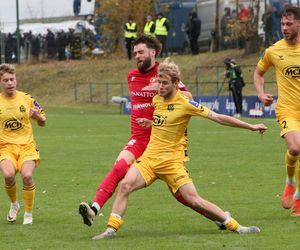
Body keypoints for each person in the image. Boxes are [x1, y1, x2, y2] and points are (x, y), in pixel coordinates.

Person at [93, 58, 267, 239]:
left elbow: (218, 117)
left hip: (171, 163)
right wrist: (151, 123)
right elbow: (167, 123)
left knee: (194, 201)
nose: (160, 86)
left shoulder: (186, 104)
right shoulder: (157, 100)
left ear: (176, 83)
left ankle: (236, 226)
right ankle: (110, 230)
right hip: (149, 160)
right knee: (125, 186)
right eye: (159, 82)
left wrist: (251, 126)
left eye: (164, 83)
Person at [78, 35, 227, 233]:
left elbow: (188, 97)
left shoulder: (164, 75)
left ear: (152, 53)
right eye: (134, 53)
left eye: (140, 52)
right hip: (139, 139)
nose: (137, 56)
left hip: (163, 144)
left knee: (182, 196)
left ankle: (219, 218)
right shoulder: (131, 76)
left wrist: (158, 89)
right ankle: (94, 209)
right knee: (118, 168)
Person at [253, 7, 300, 216]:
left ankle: (298, 198)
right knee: (296, 147)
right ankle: (290, 181)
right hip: (287, 109)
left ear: (299, 24)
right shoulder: (274, 51)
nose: (284, 28)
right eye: (282, 24)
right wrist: (261, 94)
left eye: (289, 24)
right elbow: (258, 72)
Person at [0, 63, 46, 225]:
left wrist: (38, 118)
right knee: (8, 175)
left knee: (27, 176)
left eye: (12, 79)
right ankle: (14, 204)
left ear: (16, 80)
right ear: (1, 82)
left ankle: (28, 212)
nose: (10, 83)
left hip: (27, 146)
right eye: (6, 80)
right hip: (5, 147)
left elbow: (43, 121)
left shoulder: (27, 98)